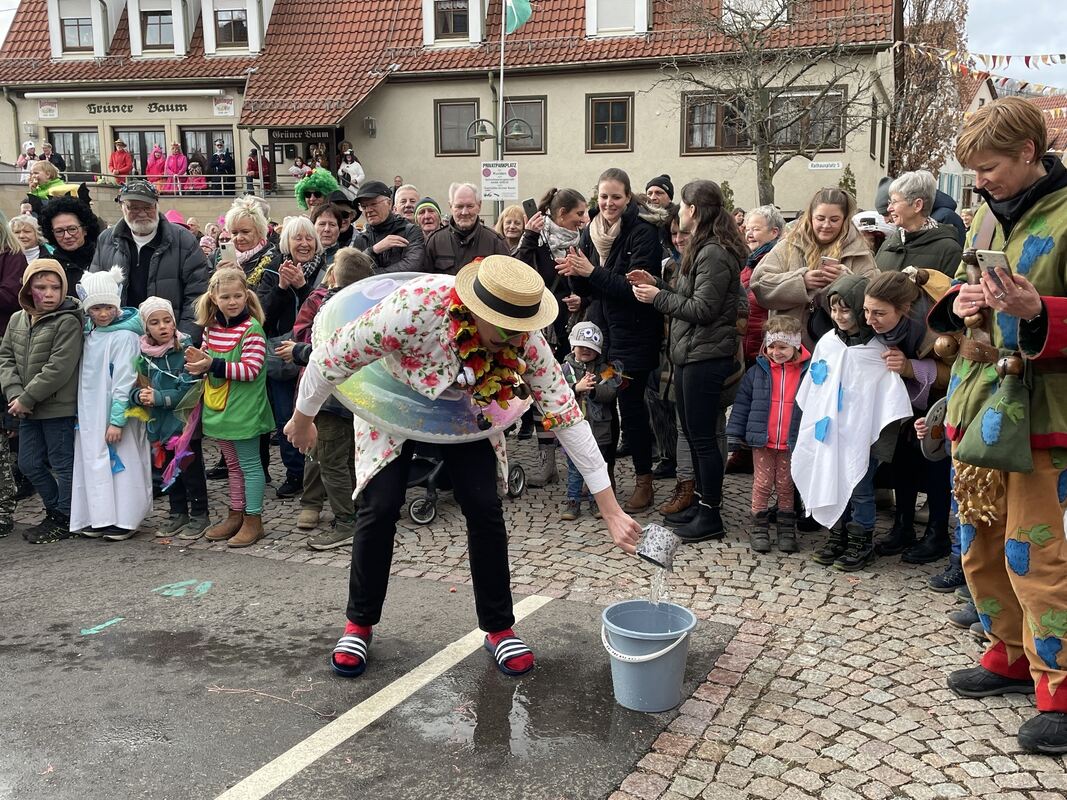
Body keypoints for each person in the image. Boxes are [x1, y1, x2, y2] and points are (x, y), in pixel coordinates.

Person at [285, 255, 642, 678]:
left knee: (484, 505)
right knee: (380, 506)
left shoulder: (524, 336)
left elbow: (565, 413)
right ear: (475, 310)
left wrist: (610, 508)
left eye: (521, 331)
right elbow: (330, 358)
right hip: (393, 392)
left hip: (466, 407)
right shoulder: (409, 310)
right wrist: (302, 417)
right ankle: (359, 624)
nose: (514, 339)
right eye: (504, 330)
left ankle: (499, 628)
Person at [924, 96, 1067, 751]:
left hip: (1044, 415)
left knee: (1035, 553)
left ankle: (1058, 686)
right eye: (972, 171)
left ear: (1027, 155)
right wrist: (964, 301)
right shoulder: (984, 216)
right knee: (980, 543)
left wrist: (1038, 310)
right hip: (979, 408)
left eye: (988, 168)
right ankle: (1008, 652)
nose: (977, 181)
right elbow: (955, 291)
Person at [629, 179, 747, 539]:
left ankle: (710, 515)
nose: (678, 212)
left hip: (705, 356)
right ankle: (699, 502)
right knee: (697, 438)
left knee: (703, 439)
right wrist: (658, 284)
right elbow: (689, 296)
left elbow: (704, 308)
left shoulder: (714, 251)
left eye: (682, 205)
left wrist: (656, 299)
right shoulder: (703, 246)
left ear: (694, 210)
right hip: (692, 354)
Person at [561, 167, 664, 512]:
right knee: (603, 402)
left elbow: (637, 290)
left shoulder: (643, 233)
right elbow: (591, 291)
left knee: (631, 405)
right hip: (603, 336)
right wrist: (577, 275)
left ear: (628, 197)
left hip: (634, 339)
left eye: (616, 197)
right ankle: (601, 478)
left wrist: (592, 272)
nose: (608, 203)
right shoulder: (591, 231)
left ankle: (643, 481)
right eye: (603, 196)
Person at [798, 273, 912, 571]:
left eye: (846, 309)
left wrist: (879, 442)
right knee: (832, 479)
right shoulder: (828, 343)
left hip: (860, 437)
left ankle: (861, 539)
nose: (838, 316)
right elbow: (814, 387)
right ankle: (838, 533)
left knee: (860, 487)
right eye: (833, 309)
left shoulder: (876, 351)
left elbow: (887, 398)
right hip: (830, 433)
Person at [276, 248, 374, 548]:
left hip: (330, 399)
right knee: (350, 459)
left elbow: (323, 355)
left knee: (330, 461)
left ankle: (347, 522)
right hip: (361, 398)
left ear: (332, 275)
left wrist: (296, 351)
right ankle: (358, 512)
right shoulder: (370, 306)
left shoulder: (330, 308)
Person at [865, 270, 953, 566]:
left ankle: (938, 533)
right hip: (904, 399)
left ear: (903, 309)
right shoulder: (884, 323)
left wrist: (910, 368)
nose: (869, 319)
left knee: (934, 461)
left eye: (878, 313)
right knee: (902, 456)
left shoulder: (938, 324)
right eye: (866, 310)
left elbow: (956, 374)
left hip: (941, 400)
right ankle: (902, 525)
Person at [222, 198, 309, 498]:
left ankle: (295, 472)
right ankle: (256, 469)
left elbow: (264, 311)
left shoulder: (272, 262)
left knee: (284, 414)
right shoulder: (238, 263)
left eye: (244, 231)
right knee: (255, 414)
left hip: (273, 348)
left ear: (260, 231)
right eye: (233, 233)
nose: (239, 238)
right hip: (247, 349)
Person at [186, 268, 276, 547]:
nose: (233, 301)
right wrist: (197, 362)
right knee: (234, 467)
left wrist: (211, 364)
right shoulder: (211, 329)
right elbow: (206, 359)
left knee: (249, 465)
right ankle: (236, 514)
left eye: (238, 295)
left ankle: (254, 519)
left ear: (247, 296)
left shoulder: (252, 329)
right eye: (226, 296)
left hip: (245, 410)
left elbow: (251, 369)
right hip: (219, 408)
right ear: (213, 297)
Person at [0, 259, 84, 542]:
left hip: (56, 407)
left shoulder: (68, 320)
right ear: (27, 289)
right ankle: (55, 510)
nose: (48, 293)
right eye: (40, 287)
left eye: (55, 287)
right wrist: (15, 395)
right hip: (25, 408)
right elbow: (6, 357)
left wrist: (28, 397)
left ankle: (66, 516)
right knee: (29, 464)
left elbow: (59, 367)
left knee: (62, 464)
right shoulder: (17, 319)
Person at [68, 267, 151, 540]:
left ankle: (126, 517)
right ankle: (101, 515)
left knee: (123, 460)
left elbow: (124, 381)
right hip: (92, 412)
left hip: (117, 412)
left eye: (107, 307)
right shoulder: (92, 333)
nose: (102, 314)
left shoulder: (124, 337)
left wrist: (117, 419)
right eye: (95, 309)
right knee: (95, 460)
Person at [515, 187, 589, 485]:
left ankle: (580, 464)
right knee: (541, 397)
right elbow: (516, 272)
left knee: (575, 394)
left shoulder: (584, 242)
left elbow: (592, 279)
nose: (585, 219)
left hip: (576, 328)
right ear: (561, 214)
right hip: (544, 331)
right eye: (579, 214)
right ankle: (548, 464)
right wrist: (529, 237)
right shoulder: (539, 240)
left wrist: (580, 299)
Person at [750, 187, 878, 350]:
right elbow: (759, 285)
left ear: (845, 220)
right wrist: (801, 282)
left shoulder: (859, 252)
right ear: (810, 218)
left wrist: (845, 283)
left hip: (841, 350)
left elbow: (873, 302)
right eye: (820, 218)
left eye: (834, 219)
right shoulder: (788, 245)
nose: (826, 225)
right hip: (787, 351)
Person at [727, 315, 809, 553]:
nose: (775, 352)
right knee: (762, 483)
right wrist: (735, 434)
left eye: (782, 347)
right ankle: (759, 528)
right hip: (762, 439)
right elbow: (742, 405)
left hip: (790, 441)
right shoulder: (757, 372)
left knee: (786, 485)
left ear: (795, 345)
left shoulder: (807, 373)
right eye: (771, 346)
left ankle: (786, 529)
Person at [89, 180, 210, 340]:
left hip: (169, 340)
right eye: (134, 207)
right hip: (119, 338)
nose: (142, 213)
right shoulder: (106, 240)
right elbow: (95, 290)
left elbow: (197, 296)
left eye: (147, 207)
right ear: (122, 207)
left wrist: (184, 339)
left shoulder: (184, 240)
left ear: (156, 206)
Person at [132, 296, 209, 540]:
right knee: (167, 470)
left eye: (167, 321)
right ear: (146, 327)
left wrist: (158, 398)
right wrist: (138, 397)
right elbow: (135, 386)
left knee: (190, 470)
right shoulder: (143, 355)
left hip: (184, 426)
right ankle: (178, 512)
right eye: (155, 322)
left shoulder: (185, 351)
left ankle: (199, 513)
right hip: (159, 426)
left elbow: (188, 389)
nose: (163, 326)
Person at [559, 321, 622, 520]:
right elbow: (557, 394)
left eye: (591, 348)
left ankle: (598, 503)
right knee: (575, 468)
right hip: (574, 428)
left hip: (599, 428)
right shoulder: (564, 369)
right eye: (581, 346)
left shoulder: (605, 370)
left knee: (598, 467)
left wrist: (594, 389)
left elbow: (611, 393)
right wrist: (576, 388)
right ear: (572, 346)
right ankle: (573, 502)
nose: (586, 350)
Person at [876, 170, 963, 276]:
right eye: (889, 203)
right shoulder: (888, 244)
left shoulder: (949, 252)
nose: (889, 208)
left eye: (894, 202)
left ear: (917, 205)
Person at [424, 181, 511, 274]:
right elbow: (425, 282)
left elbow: (506, 281)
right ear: (451, 206)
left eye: (470, 206)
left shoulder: (495, 243)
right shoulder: (435, 242)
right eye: (459, 206)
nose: (464, 212)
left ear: (479, 206)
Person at [352, 180, 425, 274]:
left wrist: (372, 275)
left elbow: (412, 266)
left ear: (389, 203)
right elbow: (354, 272)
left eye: (373, 204)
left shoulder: (410, 231)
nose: (368, 210)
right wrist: (373, 250)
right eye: (364, 206)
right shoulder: (361, 239)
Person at [39, 196, 101, 292]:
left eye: (72, 229)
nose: (67, 236)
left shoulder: (101, 259)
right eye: (59, 231)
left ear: (85, 229)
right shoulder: (47, 264)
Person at [311, 203, 343, 271]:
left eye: (332, 225)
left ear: (339, 230)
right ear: (312, 227)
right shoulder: (304, 256)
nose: (327, 229)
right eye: (322, 224)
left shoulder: (345, 259)